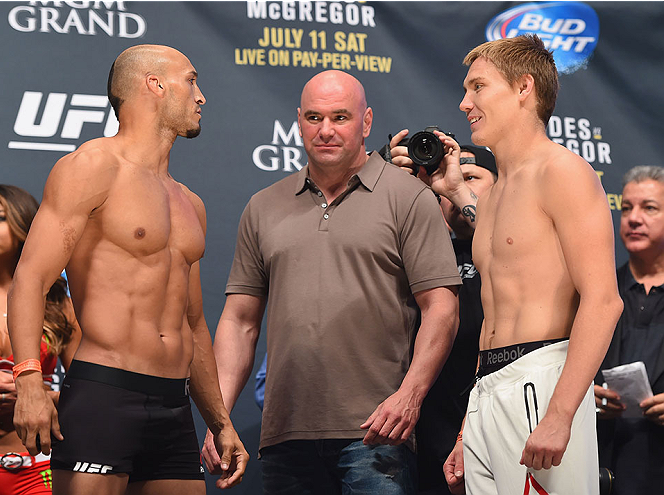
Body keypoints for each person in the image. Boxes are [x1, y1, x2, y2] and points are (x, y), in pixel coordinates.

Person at [202, 69, 462, 494]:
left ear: (367, 122)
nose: (325, 130)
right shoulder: (263, 206)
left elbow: (443, 307)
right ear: (298, 120)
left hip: (378, 433)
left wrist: (410, 395)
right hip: (285, 436)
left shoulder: (409, 196)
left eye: (340, 117)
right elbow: (239, 321)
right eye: (313, 117)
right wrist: (219, 415)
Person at [7, 44, 248, 495]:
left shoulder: (189, 203)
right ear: (154, 85)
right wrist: (28, 381)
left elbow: (193, 324)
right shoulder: (92, 167)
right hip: (104, 394)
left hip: (174, 407)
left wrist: (219, 421)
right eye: (192, 80)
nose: (202, 97)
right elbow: (31, 278)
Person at [440, 34, 623, 495]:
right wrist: (468, 426)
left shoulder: (563, 170)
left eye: (478, 87)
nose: (464, 103)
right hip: (487, 389)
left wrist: (560, 415)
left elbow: (603, 301)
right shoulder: (497, 190)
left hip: (541, 382)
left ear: (524, 88)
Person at [386, 138, 497, 493]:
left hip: (492, 416)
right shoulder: (421, 251)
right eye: (450, 177)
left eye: (471, 177)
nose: (456, 185)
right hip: (421, 424)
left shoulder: (512, 250)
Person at [0, 184, 80, 494]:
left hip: (39, 471)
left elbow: (88, 392)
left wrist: (38, 396)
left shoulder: (59, 304)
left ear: (22, 224)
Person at [595, 165, 664, 494]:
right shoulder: (596, 292)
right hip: (604, 467)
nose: (634, 218)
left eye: (649, 208)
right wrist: (582, 398)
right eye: (626, 208)